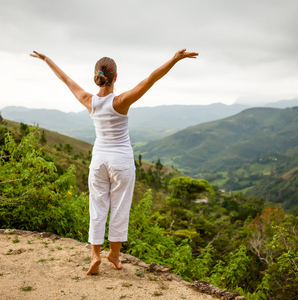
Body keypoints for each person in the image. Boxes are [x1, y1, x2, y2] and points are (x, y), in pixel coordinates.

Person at [30, 48, 199, 275]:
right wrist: (175, 59)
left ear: (97, 76)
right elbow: (151, 79)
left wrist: (47, 60)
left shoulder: (88, 100)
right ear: (115, 77)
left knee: (97, 208)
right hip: (121, 162)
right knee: (120, 208)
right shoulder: (121, 101)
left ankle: (94, 255)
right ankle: (115, 254)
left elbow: (66, 80)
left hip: (98, 161)